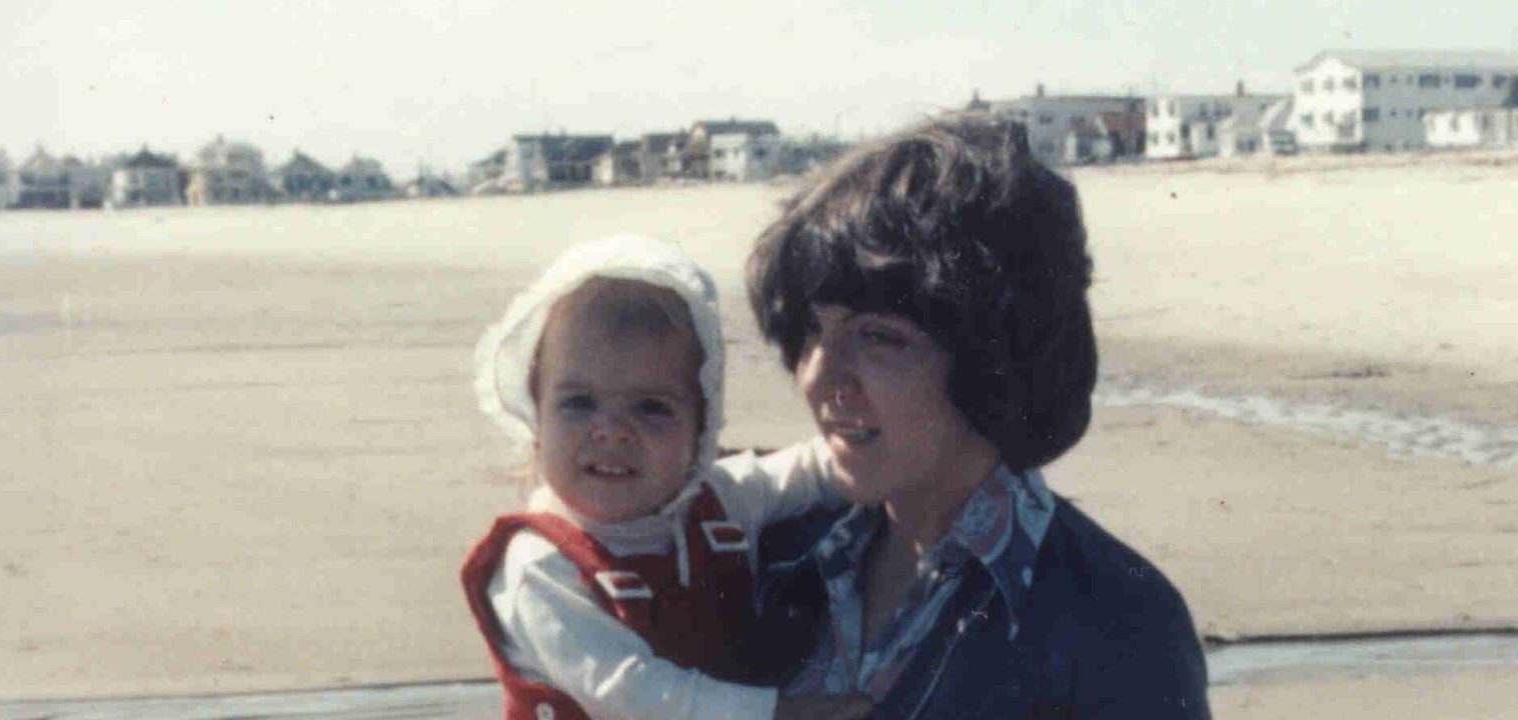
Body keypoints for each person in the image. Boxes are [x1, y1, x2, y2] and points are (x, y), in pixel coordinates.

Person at [743, 114, 1211, 718]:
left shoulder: (1116, 621)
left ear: (990, 356)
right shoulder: (768, 550)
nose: (817, 375)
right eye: (812, 330)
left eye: (878, 336)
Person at [460, 235, 871, 720]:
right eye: (578, 402)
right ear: (537, 416)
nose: (611, 431)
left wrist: (873, 447)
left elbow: (812, 470)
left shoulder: (719, 501)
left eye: (651, 408)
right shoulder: (541, 562)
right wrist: (779, 713)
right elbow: (631, 692)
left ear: (700, 430)